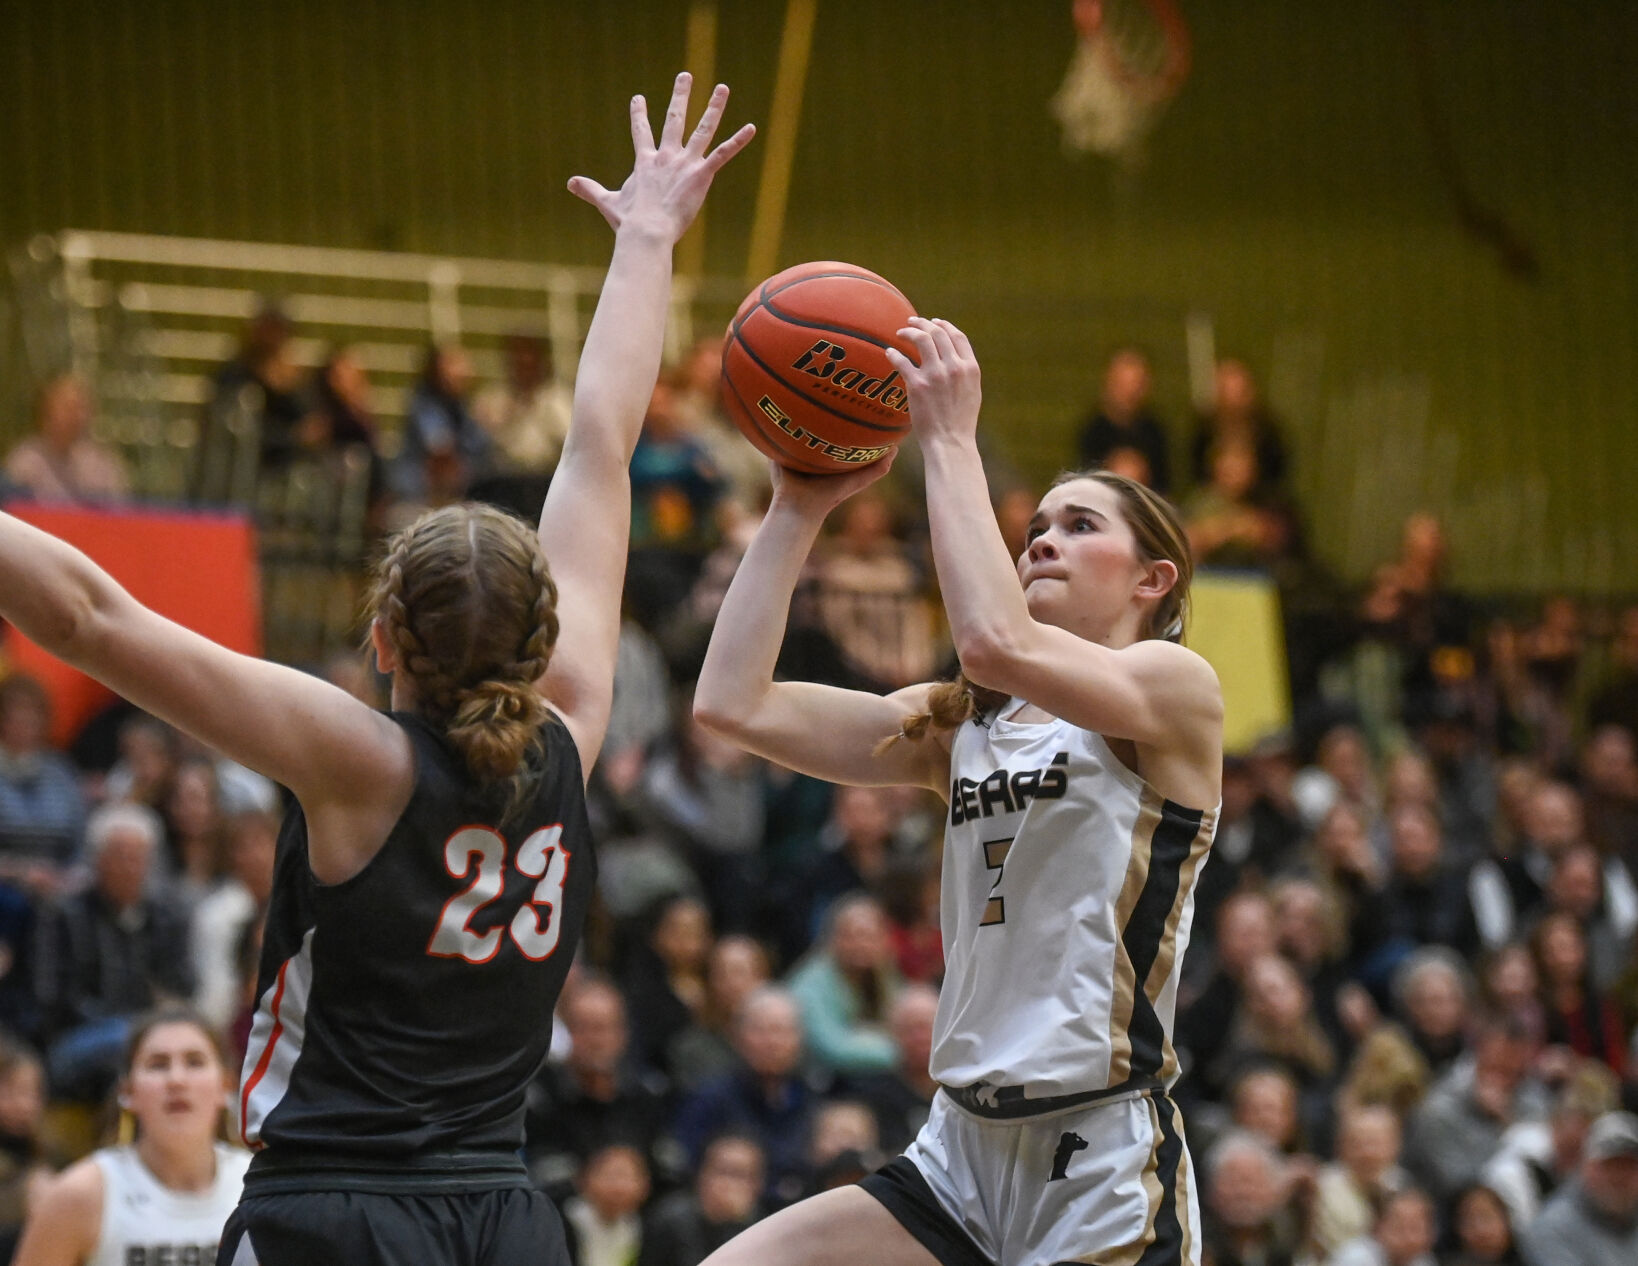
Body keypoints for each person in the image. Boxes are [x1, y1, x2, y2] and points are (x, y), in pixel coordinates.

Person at [0, 73, 753, 1266]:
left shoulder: (354, 762)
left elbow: (91, 616)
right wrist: (649, 240)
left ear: (385, 638)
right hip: (505, 1219)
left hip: (336, 1216)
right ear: (541, 636)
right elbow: (601, 446)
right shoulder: (576, 720)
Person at [694, 315, 1222, 1263]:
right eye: (1034, 531)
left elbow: (993, 640)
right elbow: (733, 703)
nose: (1042, 544)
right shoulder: (963, 721)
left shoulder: (1173, 690)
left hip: (1098, 1150)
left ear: (1153, 577)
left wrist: (946, 436)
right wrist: (795, 508)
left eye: (1079, 526)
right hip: (957, 1153)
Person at [12, 1006, 250, 1266]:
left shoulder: (256, 1186)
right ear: (127, 1091)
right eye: (158, 1065)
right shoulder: (79, 1195)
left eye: (195, 1062)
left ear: (226, 1085)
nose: (176, 1080)